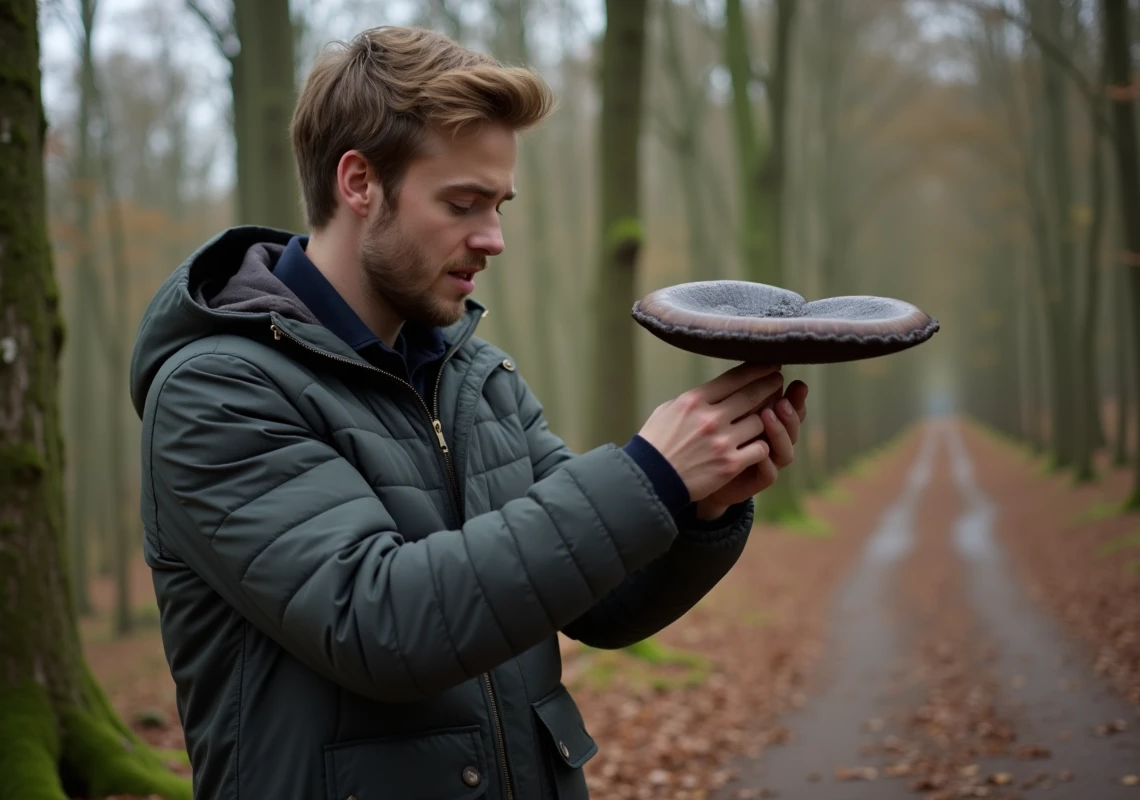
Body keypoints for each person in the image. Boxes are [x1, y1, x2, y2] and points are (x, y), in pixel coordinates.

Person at [130, 25, 808, 800]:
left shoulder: (477, 376)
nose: (494, 238)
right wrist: (649, 475)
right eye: (463, 203)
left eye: (499, 203)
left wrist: (698, 505)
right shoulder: (215, 393)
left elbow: (598, 596)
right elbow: (380, 621)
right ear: (359, 184)